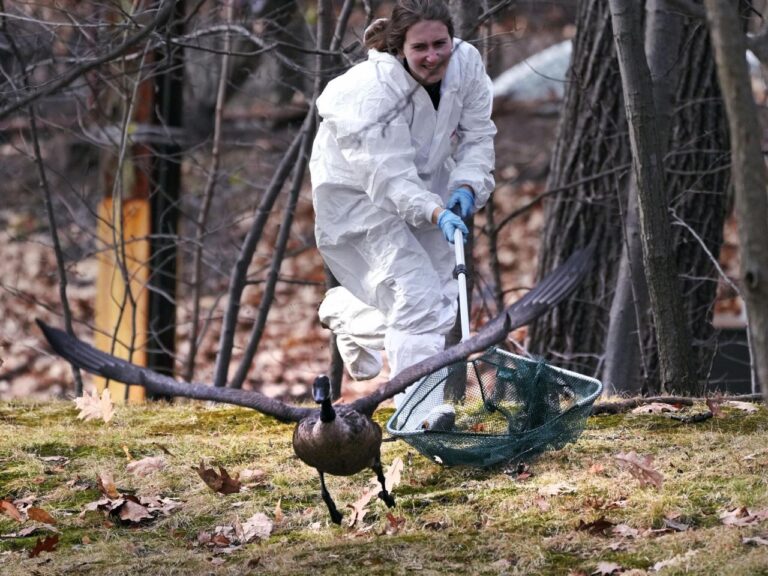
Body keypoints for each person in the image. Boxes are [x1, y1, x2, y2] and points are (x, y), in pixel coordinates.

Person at [309, 0, 496, 403]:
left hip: (430, 186)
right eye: (420, 48)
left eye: (440, 43)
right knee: (416, 299)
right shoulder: (370, 92)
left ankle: (348, 312)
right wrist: (435, 212)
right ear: (399, 49)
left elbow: (478, 135)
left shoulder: (466, 64)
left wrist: (466, 185)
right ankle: (417, 415)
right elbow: (387, 177)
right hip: (359, 198)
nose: (433, 56)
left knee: (441, 303)